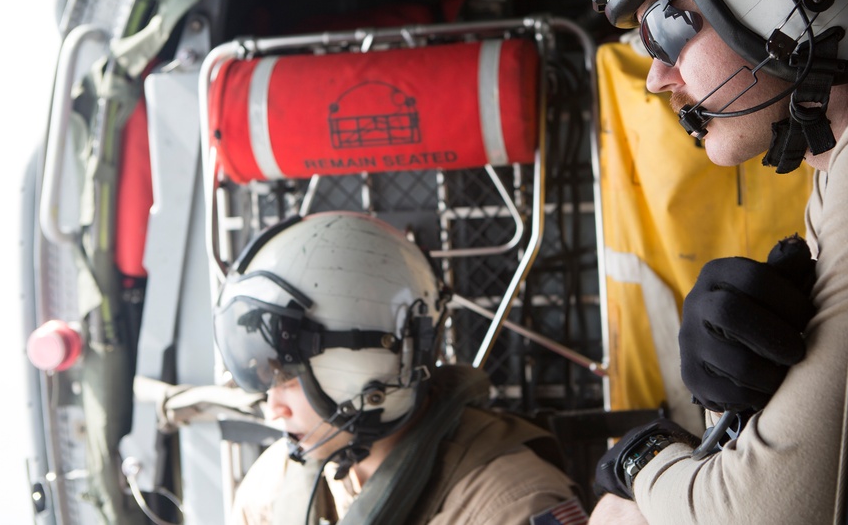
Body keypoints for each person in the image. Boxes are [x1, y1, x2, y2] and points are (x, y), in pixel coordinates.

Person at [584, 0, 848, 522]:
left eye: (664, 25)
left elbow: (751, 513)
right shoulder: (842, 165)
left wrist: (640, 464)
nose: (657, 79)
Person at [213, 211, 586, 525]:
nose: (273, 407)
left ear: (364, 365)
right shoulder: (273, 488)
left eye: (288, 378)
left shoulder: (509, 504)